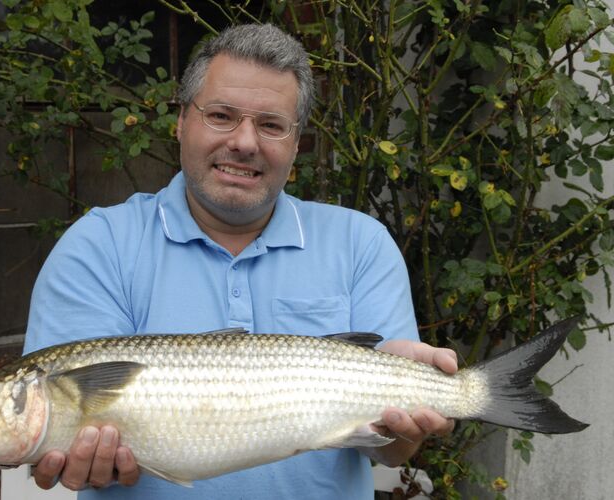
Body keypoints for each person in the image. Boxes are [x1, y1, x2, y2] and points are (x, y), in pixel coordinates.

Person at [23, 23, 456, 500]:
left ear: (295, 142)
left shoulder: (360, 243)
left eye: (271, 124)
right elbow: (64, 441)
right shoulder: (98, 245)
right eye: (222, 115)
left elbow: (391, 452)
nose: (245, 142)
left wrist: (408, 422)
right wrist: (82, 459)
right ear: (182, 120)